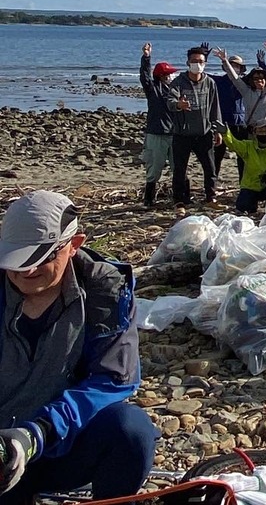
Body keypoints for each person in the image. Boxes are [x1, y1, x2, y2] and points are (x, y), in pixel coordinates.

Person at [0, 191, 157, 504]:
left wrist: (37, 434)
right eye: (17, 260)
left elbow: (111, 381)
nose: (26, 271)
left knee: (131, 430)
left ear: (74, 245)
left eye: (41, 258)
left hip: (61, 444)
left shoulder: (105, 292)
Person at [167, 45, 222, 208]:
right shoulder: (178, 82)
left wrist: (218, 130)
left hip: (204, 133)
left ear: (205, 63)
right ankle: (179, 200)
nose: (197, 64)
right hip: (182, 134)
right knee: (180, 169)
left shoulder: (210, 83)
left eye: (200, 61)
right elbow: (170, 102)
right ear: (187, 62)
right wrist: (179, 104)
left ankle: (210, 197)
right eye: (194, 61)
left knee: (210, 168)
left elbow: (215, 108)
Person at [216, 41, 266, 130]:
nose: (259, 80)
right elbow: (234, 78)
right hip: (251, 130)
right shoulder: (246, 91)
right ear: (251, 80)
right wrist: (225, 61)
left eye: (262, 78)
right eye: (255, 78)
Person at [220, 123, 266, 214]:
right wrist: (225, 133)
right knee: (242, 208)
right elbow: (234, 144)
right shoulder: (248, 146)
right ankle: (252, 204)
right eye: (260, 131)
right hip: (251, 186)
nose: (263, 134)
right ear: (254, 132)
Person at [138, 42, 176, 207]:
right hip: (156, 133)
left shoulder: (176, 91)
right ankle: (149, 200)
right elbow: (145, 76)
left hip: (175, 134)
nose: (171, 77)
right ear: (162, 76)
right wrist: (146, 57)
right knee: (154, 169)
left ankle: (180, 198)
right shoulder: (153, 89)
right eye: (168, 74)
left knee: (179, 168)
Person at [209, 48, 248, 182]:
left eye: (237, 66)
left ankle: (244, 184)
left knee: (243, 156)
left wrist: (262, 61)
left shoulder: (245, 82)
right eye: (231, 65)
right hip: (222, 123)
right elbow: (199, 74)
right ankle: (212, 185)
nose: (234, 68)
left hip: (241, 123)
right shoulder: (218, 81)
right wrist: (204, 57)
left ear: (241, 69)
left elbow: (262, 77)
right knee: (217, 156)